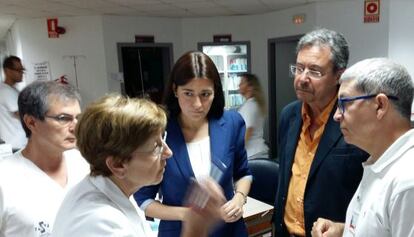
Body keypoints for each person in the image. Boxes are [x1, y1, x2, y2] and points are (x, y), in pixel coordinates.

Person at [52, 95, 226, 237]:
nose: (168, 153)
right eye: (156, 146)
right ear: (118, 164)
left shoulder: (112, 188)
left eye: (162, 139)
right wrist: (195, 228)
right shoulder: (101, 224)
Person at [134, 51, 252, 237]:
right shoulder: (159, 131)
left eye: (205, 94)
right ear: (175, 90)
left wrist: (239, 198)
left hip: (228, 230)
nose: (197, 104)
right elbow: (143, 199)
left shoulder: (231, 123)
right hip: (178, 231)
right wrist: (188, 215)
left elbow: (243, 173)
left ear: (215, 91)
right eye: (188, 93)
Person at [273, 28, 369, 237]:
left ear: (339, 76)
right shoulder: (288, 115)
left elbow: (370, 195)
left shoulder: (355, 120)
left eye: (315, 71)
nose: (302, 78)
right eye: (298, 68)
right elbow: (285, 177)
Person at [311, 58, 414, 237]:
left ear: (380, 106)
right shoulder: (379, 160)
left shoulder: (407, 181)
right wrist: (343, 230)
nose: (336, 116)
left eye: (344, 103)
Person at [0, 80, 89, 236]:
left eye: (77, 118)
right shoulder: (5, 179)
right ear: (31, 122)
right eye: (63, 118)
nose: (75, 127)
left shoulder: (84, 164)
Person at [238, 73, 269, 159]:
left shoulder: (250, 106)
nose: (239, 85)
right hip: (255, 153)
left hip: (252, 154)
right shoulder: (253, 104)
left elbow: (248, 130)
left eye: (242, 82)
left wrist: (236, 151)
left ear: (250, 87)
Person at [0, 55, 27, 150]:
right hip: (17, 144)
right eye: (18, 70)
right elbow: (23, 115)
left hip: (15, 143)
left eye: (22, 70)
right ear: (7, 71)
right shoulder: (6, 91)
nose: (21, 73)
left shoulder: (10, 89)